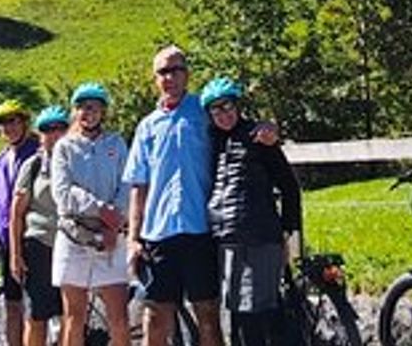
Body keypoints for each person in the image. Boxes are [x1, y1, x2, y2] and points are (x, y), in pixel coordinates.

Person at [125, 46, 277, 346]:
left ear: (187, 74)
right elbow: (138, 185)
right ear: (154, 79)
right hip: (159, 233)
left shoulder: (204, 112)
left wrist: (268, 127)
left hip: (201, 230)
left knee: (207, 315)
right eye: (162, 72)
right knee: (154, 318)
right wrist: (133, 237)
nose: (169, 77)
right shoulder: (146, 126)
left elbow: (238, 126)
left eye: (175, 70)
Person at [203, 78, 303, 346]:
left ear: (237, 106)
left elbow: (289, 185)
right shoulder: (211, 141)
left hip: (259, 236)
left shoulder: (259, 138)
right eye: (216, 110)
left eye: (227, 107)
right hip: (226, 238)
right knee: (237, 310)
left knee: (256, 311)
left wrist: (288, 231)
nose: (223, 114)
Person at [52, 83, 130, 346]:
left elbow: (127, 185)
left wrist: (114, 221)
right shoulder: (64, 147)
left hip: (110, 235)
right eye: (83, 107)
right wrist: (100, 208)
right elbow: (63, 192)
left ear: (103, 112)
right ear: (75, 112)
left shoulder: (116, 144)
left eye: (94, 107)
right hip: (74, 235)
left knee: (118, 316)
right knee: (74, 316)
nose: (88, 113)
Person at [11, 105, 71, 346]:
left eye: (60, 128)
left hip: (71, 244)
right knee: (38, 315)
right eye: (48, 129)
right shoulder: (33, 166)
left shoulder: (76, 163)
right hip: (39, 245)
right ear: (40, 134)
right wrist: (16, 255)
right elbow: (16, 213)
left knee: (71, 313)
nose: (54, 134)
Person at [0, 100, 40, 346]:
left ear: (24, 122)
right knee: (12, 303)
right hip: (7, 240)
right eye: (3, 123)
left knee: (38, 306)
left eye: (13, 121)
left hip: (34, 237)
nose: (8, 127)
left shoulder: (37, 152)